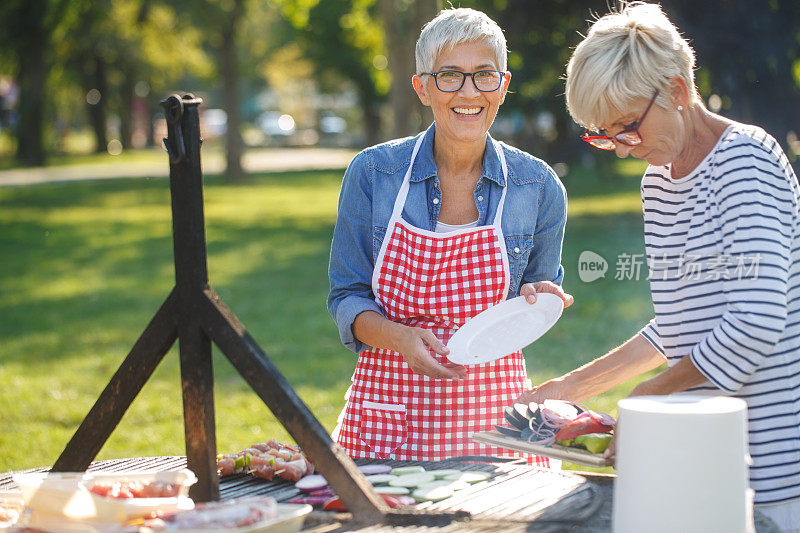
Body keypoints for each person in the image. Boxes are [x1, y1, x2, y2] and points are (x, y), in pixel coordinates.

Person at [518, 2, 800, 530]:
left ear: (675, 89)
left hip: (773, 469)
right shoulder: (660, 183)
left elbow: (756, 320)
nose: (622, 150)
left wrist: (645, 398)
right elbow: (678, 329)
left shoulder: (744, 159)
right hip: (697, 459)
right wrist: (571, 388)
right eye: (603, 135)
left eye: (626, 128)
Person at [327, 7, 572, 464]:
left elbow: (533, 294)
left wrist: (538, 297)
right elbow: (347, 298)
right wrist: (402, 339)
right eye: (449, 76)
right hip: (389, 417)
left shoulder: (538, 187)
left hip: (494, 419)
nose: (468, 92)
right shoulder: (374, 174)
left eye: (484, 75)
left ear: (503, 85)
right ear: (422, 87)